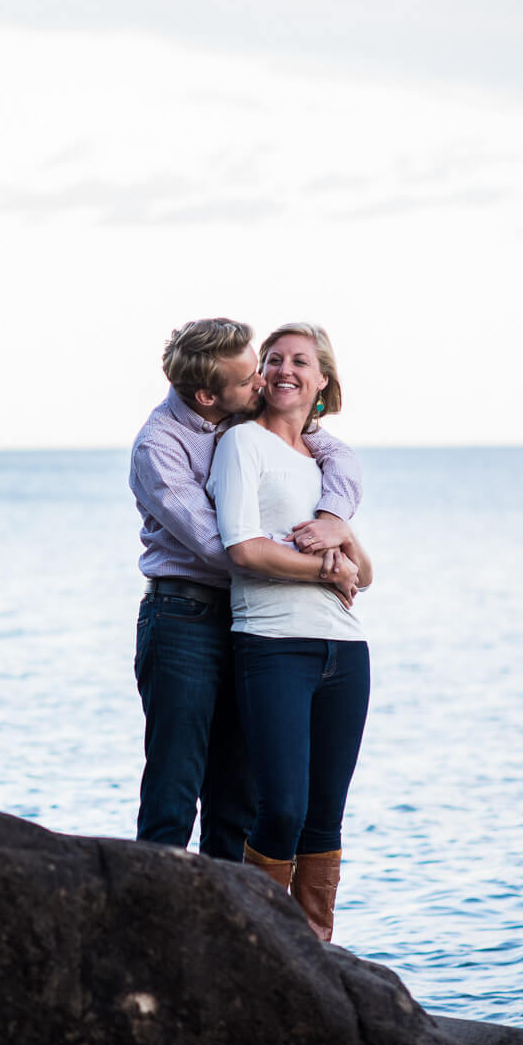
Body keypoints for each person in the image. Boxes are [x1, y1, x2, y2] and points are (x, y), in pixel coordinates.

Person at [130, 318, 363, 862]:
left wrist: (332, 520)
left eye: (260, 369)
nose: (263, 382)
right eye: (250, 378)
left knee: (238, 795)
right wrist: (330, 566)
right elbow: (225, 548)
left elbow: (336, 455)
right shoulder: (158, 448)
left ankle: (230, 934)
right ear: (209, 395)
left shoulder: (241, 412)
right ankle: (151, 928)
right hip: (184, 616)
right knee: (174, 788)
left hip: (247, 621)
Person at [206, 321, 373, 942]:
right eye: (273, 359)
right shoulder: (242, 445)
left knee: (325, 816)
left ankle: (315, 953)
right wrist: (326, 567)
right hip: (272, 645)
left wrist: (338, 535)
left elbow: (369, 573)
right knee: (280, 809)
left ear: (322, 382)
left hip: (345, 651)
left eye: (301, 361)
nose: (283, 369)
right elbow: (244, 551)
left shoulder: (327, 465)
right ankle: (259, 944)